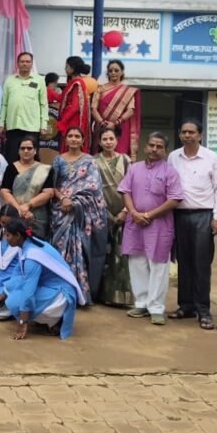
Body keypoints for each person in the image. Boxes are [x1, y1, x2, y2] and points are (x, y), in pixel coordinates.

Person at [119, 132, 185, 325]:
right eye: (152, 145)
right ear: (145, 147)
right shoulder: (134, 168)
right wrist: (134, 213)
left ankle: (156, 307)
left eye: (159, 147)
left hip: (159, 225)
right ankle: (141, 303)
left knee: (158, 266)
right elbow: (125, 191)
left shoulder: (170, 172)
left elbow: (175, 199)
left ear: (165, 151)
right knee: (137, 263)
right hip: (135, 224)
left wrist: (148, 215)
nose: (154, 149)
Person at [167, 119, 217, 329]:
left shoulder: (211, 157)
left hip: (203, 215)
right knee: (183, 262)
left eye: (191, 132)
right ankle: (186, 305)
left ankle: (203, 310)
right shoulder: (173, 157)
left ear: (200, 135)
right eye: (184, 132)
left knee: (201, 264)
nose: (187, 135)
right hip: (180, 215)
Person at [0, 219, 86, 340]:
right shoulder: (27, 244)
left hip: (62, 293)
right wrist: (4, 293)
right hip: (53, 286)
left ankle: (55, 320)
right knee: (15, 292)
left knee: (14, 302)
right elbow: (18, 275)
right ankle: (47, 318)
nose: (5, 239)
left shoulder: (31, 257)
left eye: (8, 235)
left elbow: (28, 293)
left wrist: (23, 323)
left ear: (17, 235)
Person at [50, 126, 107, 305]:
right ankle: (58, 292)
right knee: (58, 250)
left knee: (79, 252)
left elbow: (94, 188)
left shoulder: (90, 161)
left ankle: (78, 292)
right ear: (65, 139)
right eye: (70, 136)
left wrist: (75, 203)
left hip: (81, 213)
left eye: (77, 136)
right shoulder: (58, 160)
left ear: (83, 140)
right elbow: (52, 186)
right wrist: (64, 199)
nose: (74, 139)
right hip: (61, 210)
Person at [94, 127, 133, 307]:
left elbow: (133, 187)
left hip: (124, 214)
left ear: (117, 140)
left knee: (122, 255)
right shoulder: (93, 162)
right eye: (105, 139)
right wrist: (107, 214)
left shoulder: (126, 160)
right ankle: (103, 294)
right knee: (103, 253)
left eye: (111, 138)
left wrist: (125, 211)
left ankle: (122, 296)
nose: (108, 142)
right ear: (99, 142)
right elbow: (93, 189)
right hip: (101, 213)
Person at [0, 136, 54, 242]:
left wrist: (28, 205)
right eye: (22, 148)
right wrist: (19, 209)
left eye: (29, 148)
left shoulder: (44, 169)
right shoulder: (11, 168)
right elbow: (4, 191)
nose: (26, 151)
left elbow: (49, 193)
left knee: (37, 245)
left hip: (37, 217)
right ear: (18, 151)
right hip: (15, 214)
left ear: (35, 151)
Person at [0, 52, 47, 161]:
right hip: (13, 126)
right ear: (17, 63)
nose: (25, 64)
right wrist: (1, 123)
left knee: (31, 158)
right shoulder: (10, 80)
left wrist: (43, 125)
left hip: (32, 127)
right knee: (12, 157)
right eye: (22, 61)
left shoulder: (39, 80)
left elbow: (43, 104)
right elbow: (4, 104)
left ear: (32, 63)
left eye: (28, 61)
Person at [91, 60, 141, 161]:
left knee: (120, 157)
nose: (113, 73)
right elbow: (93, 109)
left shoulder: (127, 91)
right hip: (102, 128)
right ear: (107, 73)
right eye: (110, 70)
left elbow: (131, 110)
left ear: (122, 72)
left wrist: (116, 123)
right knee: (100, 157)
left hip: (120, 128)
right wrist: (102, 123)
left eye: (116, 70)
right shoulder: (100, 89)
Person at [55, 57, 90, 153]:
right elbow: (63, 98)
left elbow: (75, 106)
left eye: (67, 66)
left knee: (71, 145)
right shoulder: (73, 82)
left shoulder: (77, 83)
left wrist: (63, 121)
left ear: (72, 68)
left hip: (72, 120)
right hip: (70, 118)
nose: (65, 68)